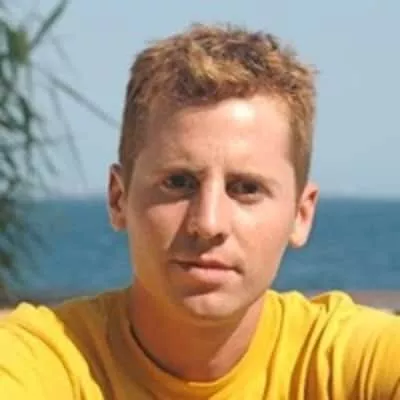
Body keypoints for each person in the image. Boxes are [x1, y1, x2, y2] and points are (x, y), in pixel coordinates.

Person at [1, 23, 399, 400]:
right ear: (118, 198)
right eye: (178, 183)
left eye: (246, 188)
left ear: (301, 214)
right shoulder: (40, 361)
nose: (208, 223)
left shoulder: (347, 363)